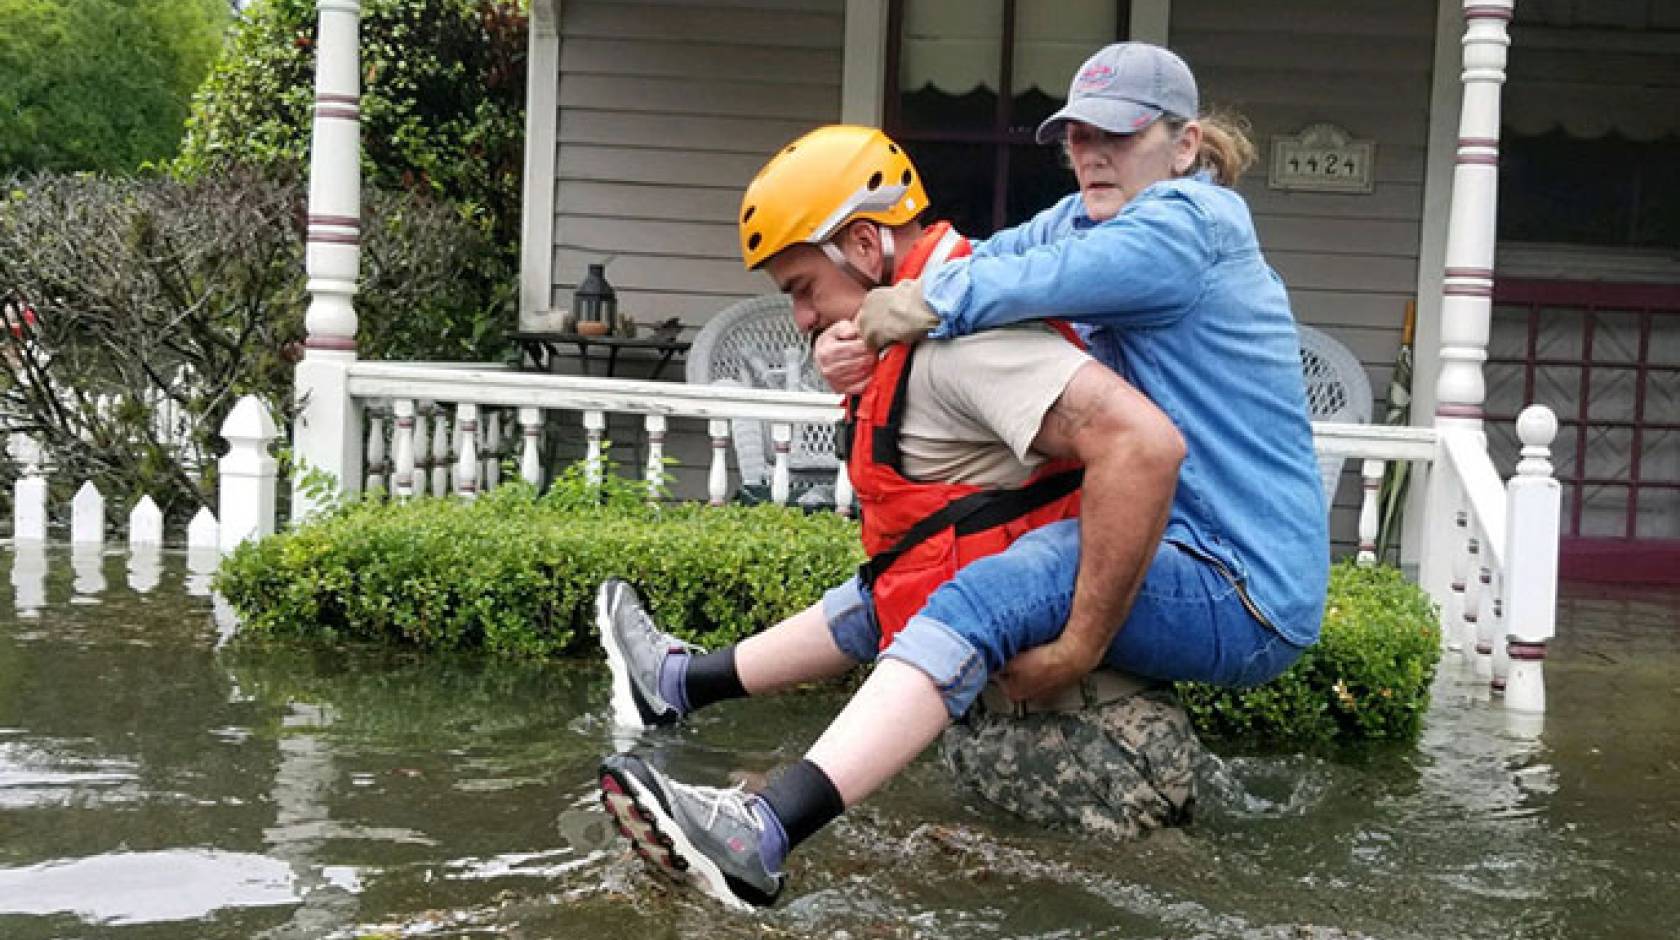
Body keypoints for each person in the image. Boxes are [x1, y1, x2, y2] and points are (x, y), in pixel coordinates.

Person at [599, 38, 1327, 911]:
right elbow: (979, 259)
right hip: (1180, 545)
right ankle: (678, 683)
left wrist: (1080, 648)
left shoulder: (1190, 225)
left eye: (1120, 135)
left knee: (988, 590)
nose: (1091, 153)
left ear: (1185, 146)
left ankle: (767, 829)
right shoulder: (1091, 215)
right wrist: (860, 323)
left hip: (1243, 585)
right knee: (936, 561)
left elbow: (1033, 286)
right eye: (1076, 135)